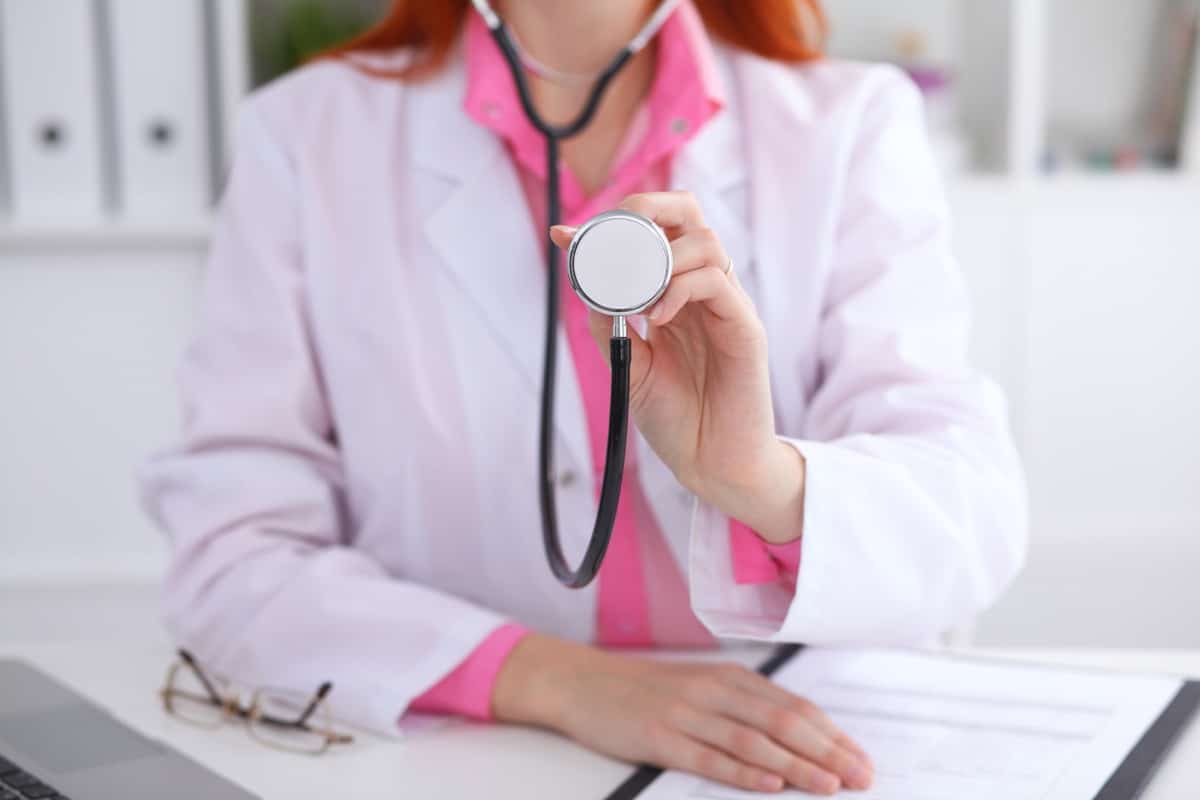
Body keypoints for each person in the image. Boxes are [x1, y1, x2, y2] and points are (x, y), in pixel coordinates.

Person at [140, 0, 1027, 794]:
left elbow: (965, 510)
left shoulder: (847, 121)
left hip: (795, 752)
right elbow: (233, 553)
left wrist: (760, 478)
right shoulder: (305, 135)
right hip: (467, 761)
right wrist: (557, 680)